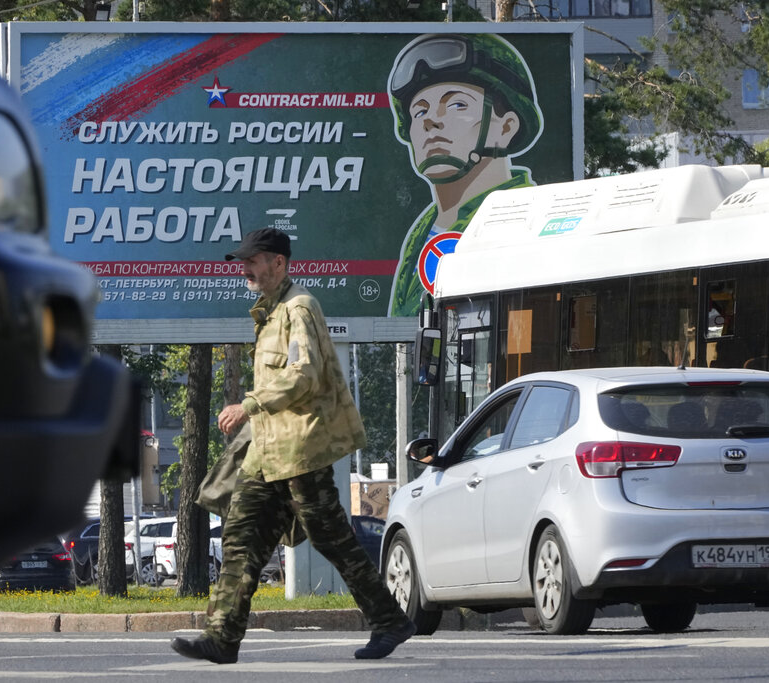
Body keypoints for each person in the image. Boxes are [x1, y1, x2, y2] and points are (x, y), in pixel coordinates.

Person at [171, 228, 415, 664]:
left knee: (331, 538)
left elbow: (304, 374)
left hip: (301, 451)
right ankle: (221, 638)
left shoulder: (299, 308)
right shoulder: (269, 312)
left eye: (253, 260)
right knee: (240, 538)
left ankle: (390, 620)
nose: (244, 268)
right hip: (266, 453)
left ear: (278, 263)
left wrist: (248, 404)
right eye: (243, 261)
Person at [388, 34, 544, 316]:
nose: (430, 121)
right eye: (419, 111)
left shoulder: (522, 222)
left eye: (457, 105)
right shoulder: (422, 233)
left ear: (506, 128)